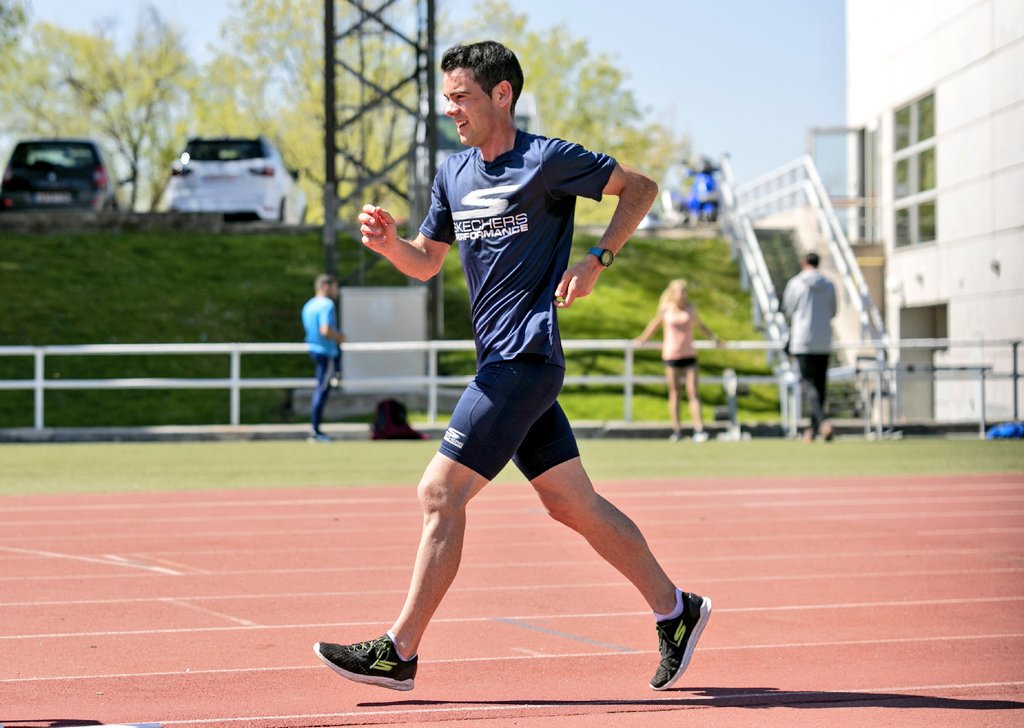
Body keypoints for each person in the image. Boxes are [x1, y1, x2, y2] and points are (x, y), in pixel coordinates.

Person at [313, 40, 711, 693]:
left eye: (463, 97)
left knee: (441, 493)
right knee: (571, 504)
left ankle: (400, 650)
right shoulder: (451, 173)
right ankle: (676, 610)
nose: (453, 112)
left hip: (524, 359)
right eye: (447, 101)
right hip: (500, 361)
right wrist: (391, 246)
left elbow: (640, 188)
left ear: (502, 95)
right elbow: (428, 260)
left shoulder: (547, 161)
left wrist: (597, 259)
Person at [634, 279, 722, 442]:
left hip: (689, 355)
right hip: (671, 355)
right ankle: (677, 430)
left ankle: (699, 428)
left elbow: (701, 326)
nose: (684, 295)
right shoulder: (665, 308)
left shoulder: (691, 308)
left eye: (685, 292)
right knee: (675, 393)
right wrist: (642, 339)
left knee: (693, 392)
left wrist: (714, 339)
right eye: (681, 292)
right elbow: (655, 324)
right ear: (674, 293)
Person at [782, 252, 837, 442]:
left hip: (802, 341)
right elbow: (833, 311)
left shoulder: (796, 283)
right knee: (821, 386)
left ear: (803, 263)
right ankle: (812, 431)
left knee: (809, 384)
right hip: (824, 340)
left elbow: (788, 308)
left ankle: (822, 421)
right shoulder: (829, 284)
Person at [301, 274, 345, 442]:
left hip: (313, 350)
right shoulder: (327, 304)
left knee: (321, 387)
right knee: (321, 389)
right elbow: (325, 330)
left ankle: (315, 429)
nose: (337, 290)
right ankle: (315, 430)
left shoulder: (308, 305)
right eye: (335, 286)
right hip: (326, 352)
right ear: (326, 286)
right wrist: (340, 337)